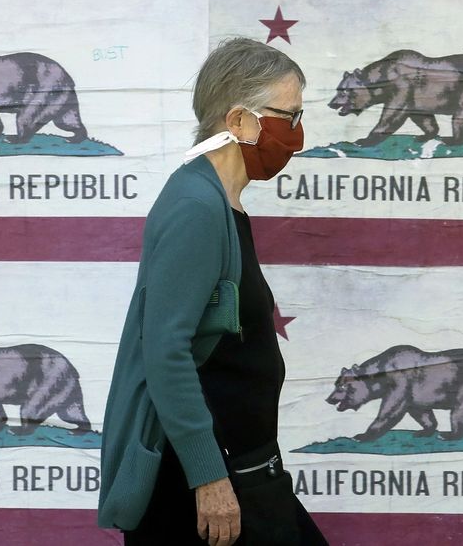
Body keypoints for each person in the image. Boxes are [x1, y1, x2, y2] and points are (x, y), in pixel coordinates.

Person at [98, 37, 329, 545]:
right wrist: (208, 478)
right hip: (205, 482)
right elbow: (165, 350)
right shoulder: (197, 209)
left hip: (246, 468)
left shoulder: (220, 202)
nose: (297, 134)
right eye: (287, 117)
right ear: (239, 121)